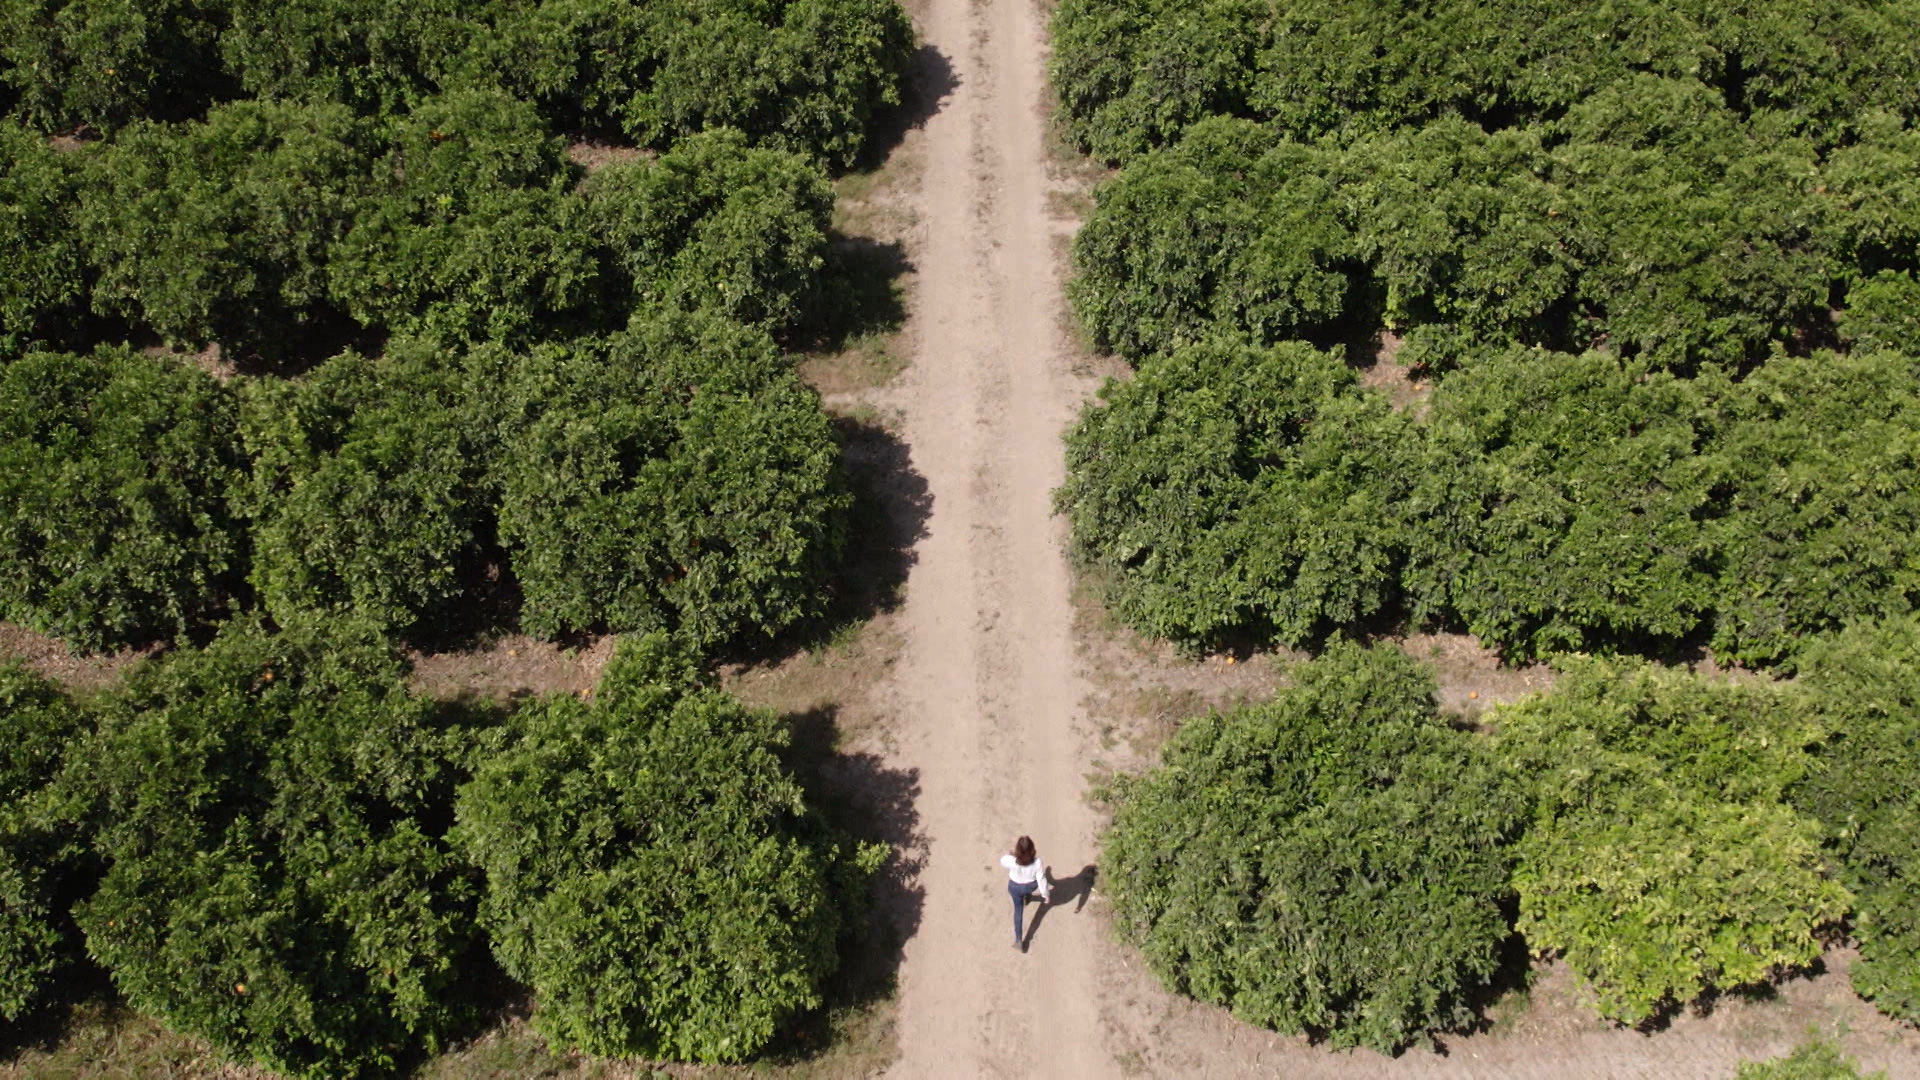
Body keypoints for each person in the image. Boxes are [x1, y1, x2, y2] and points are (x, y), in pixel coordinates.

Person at [1000, 835, 1050, 951]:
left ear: (1017, 850)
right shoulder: (1037, 862)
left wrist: (1010, 854)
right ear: (1032, 849)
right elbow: (1041, 879)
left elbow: (1002, 861)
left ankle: (1019, 940)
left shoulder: (1011, 861)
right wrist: (1045, 895)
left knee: (1018, 911)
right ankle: (1028, 897)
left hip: (1015, 887)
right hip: (1030, 887)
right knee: (1033, 884)